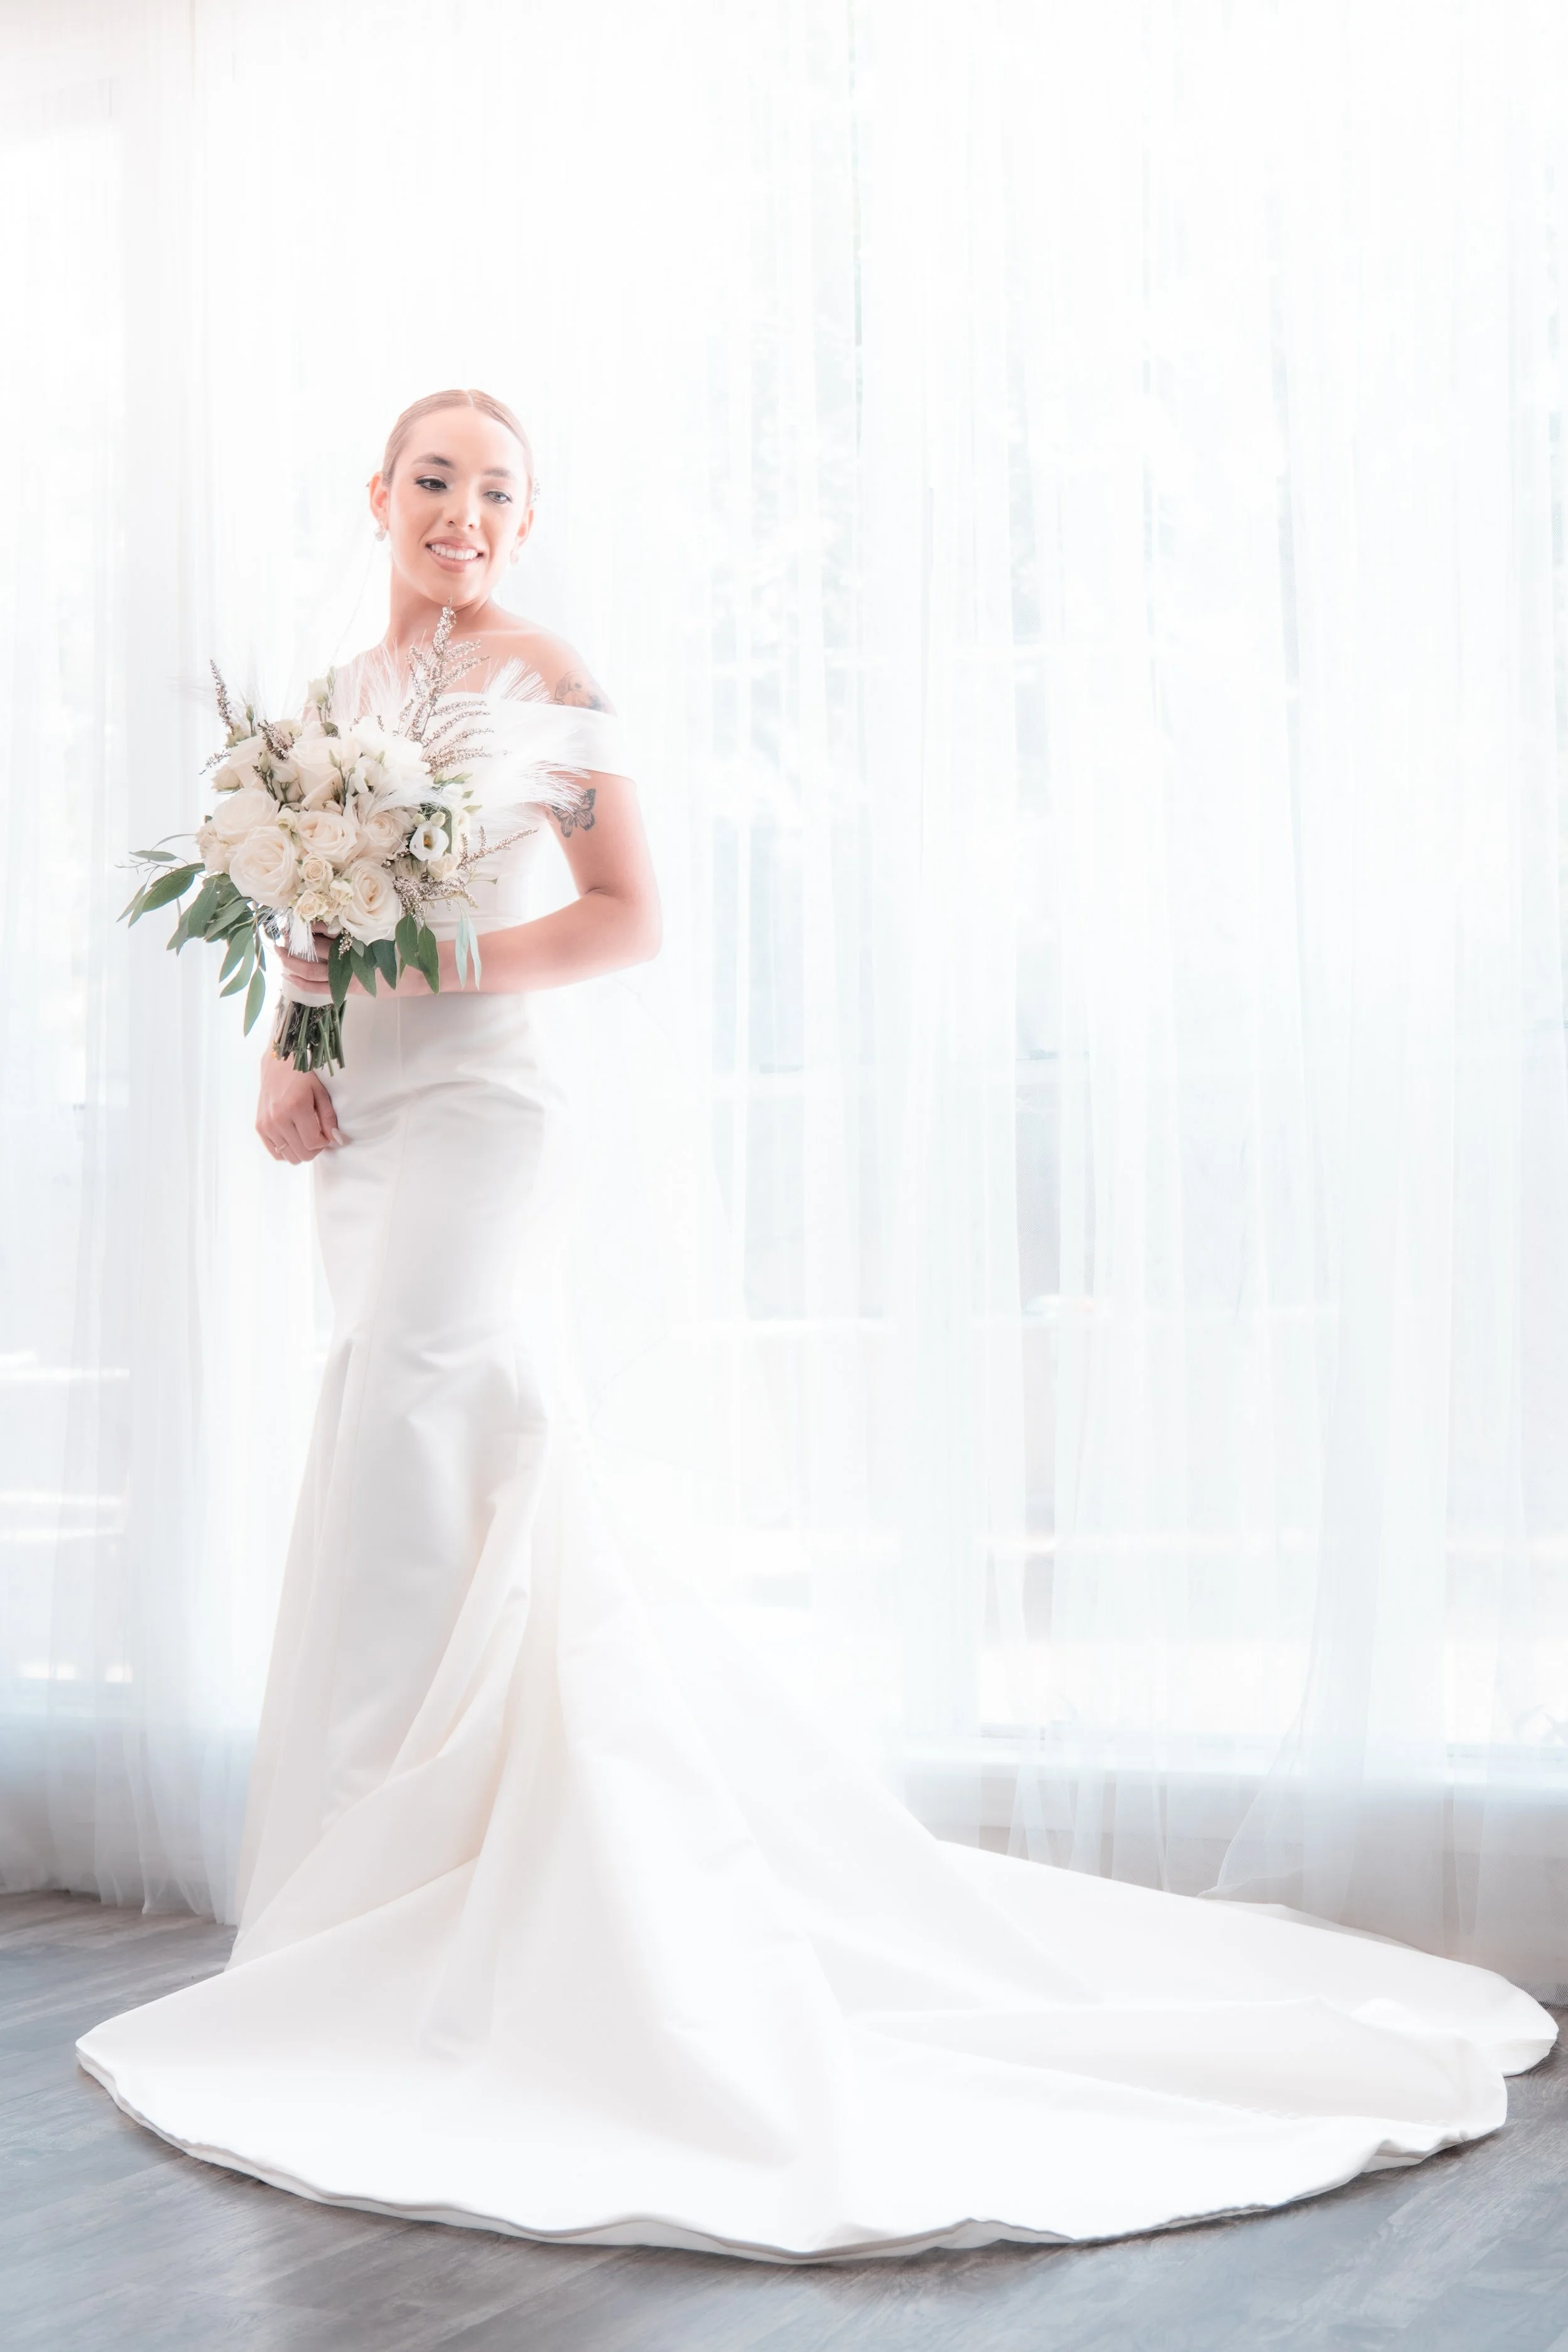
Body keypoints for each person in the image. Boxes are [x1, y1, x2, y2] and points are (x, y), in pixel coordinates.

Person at [77, 389, 1556, 2264]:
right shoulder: (326, 695)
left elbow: (623, 916)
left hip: (481, 1105)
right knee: (388, 1431)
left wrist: (434, 957)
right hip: (358, 1118)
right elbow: (299, 919)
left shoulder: (550, 674)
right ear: (377, 495)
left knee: (426, 1411)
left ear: (527, 522)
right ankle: (374, 1884)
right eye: (434, 478)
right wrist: (285, 1047)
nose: (464, 510)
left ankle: (426, 1898)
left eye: (499, 488)